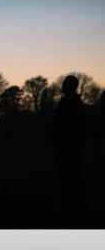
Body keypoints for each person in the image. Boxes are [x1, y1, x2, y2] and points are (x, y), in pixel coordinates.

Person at [51, 75, 86, 212]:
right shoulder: (75, 103)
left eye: (64, 83)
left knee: (69, 178)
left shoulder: (69, 104)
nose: (62, 86)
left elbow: (63, 126)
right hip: (71, 147)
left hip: (68, 148)